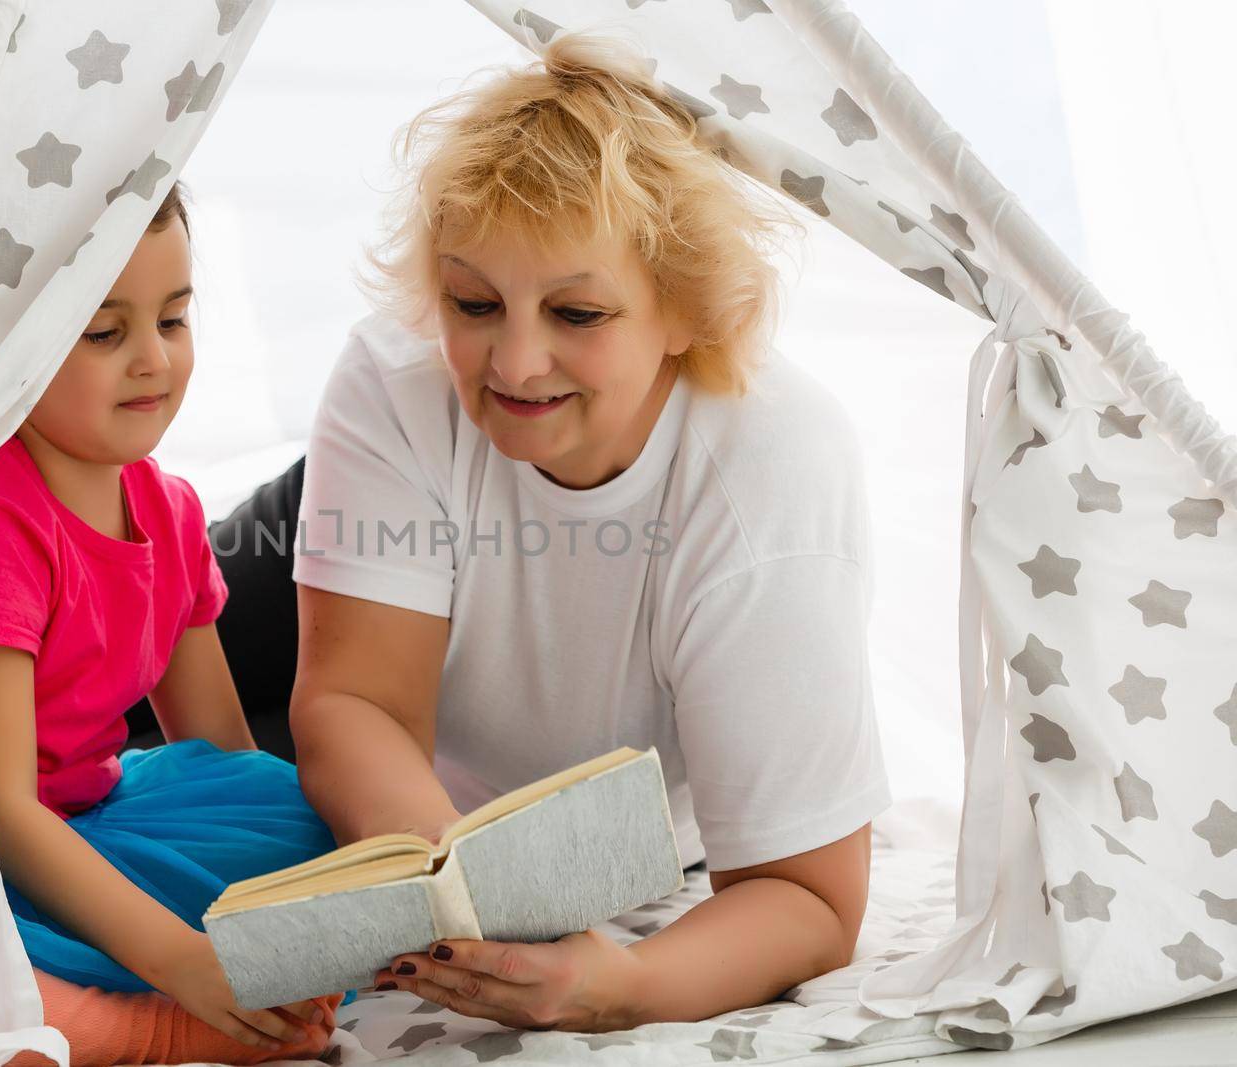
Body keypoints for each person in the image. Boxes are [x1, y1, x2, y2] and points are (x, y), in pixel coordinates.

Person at [275, 35, 891, 1030]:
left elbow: (811, 896)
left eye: (576, 311)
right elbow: (350, 701)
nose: (516, 359)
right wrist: (465, 893)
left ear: (683, 312)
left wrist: (620, 986)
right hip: (308, 604)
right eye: (474, 303)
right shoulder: (397, 374)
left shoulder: (773, 465)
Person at [0, 184, 341, 1066]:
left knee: (300, 812)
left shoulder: (168, 509)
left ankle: (157, 997)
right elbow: (2, 809)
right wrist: (183, 964)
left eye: (173, 320)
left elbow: (228, 758)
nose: (153, 361)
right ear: (11, 344)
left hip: (88, 820)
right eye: (104, 333)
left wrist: (318, 892)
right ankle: (149, 1031)